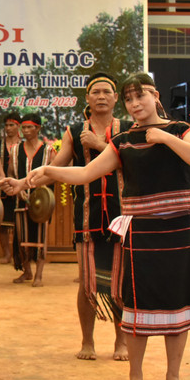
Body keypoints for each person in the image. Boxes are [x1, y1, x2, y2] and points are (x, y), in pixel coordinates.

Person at [27, 72, 190, 380]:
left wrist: (166, 138)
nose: (135, 103)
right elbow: (86, 172)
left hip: (180, 231)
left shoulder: (181, 130)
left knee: (179, 305)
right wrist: (49, 171)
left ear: (155, 95)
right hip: (141, 232)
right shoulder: (124, 140)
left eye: (139, 96)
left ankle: (173, 377)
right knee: (137, 306)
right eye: (129, 99)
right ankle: (136, 376)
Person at [54, 73, 131, 361]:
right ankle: (87, 342)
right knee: (87, 282)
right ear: (87, 99)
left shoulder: (128, 129)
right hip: (86, 218)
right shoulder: (74, 132)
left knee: (120, 282)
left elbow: (135, 164)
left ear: (114, 98)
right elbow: (58, 166)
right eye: (95, 92)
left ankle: (121, 342)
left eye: (106, 92)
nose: (100, 96)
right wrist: (30, 179)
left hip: (121, 219)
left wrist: (100, 145)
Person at [2, 112, 55, 287]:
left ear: (38, 128)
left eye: (29, 127)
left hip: (42, 202)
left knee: (40, 238)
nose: (25, 130)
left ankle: (39, 275)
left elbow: (54, 174)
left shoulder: (48, 150)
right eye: (23, 127)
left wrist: (40, 189)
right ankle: (27, 271)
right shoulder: (16, 149)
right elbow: (10, 172)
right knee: (21, 237)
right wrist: (18, 190)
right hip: (20, 200)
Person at [0, 112, 19, 264]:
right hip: (1, 188)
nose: (8, 128)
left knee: (19, 224)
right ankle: (7, 255)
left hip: (19, 188)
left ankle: (18, 256)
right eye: (6, 125)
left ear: (18, 126)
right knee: (2, 225)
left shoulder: (23, 144)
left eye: (11, 125)